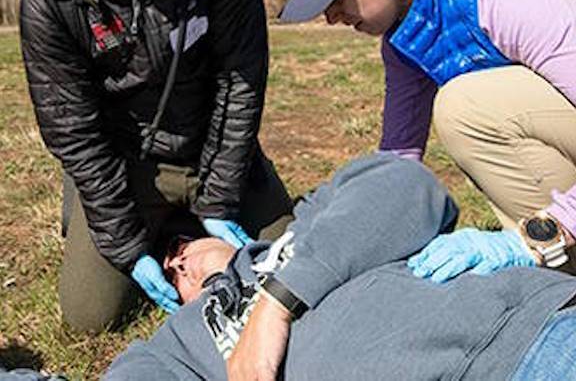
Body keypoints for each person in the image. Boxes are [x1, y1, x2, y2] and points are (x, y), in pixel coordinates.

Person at [19, 0, 292, 333]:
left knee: (287, 260)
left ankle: (190, 222)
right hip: (125, 162)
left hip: (210, 145)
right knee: (89, 317)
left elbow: (240, 83)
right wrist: (123, 240)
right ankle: (108, 217)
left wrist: (218, 198)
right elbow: (74, 134)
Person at [278, 0, 576, 276]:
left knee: (464, 107)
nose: (330, 16)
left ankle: (554, 246)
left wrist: (544, 235)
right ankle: (562, 273)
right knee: (466, 109)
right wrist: (331, 229)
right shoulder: (404, 40)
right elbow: (397, 161)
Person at [103, 153, 576, 381]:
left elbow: (406, 183)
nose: (179, 264)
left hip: (514, 351)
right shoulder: (182, 343)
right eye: (170, 273)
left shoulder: (308, 230)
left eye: (182, 247)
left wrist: (277, 301)